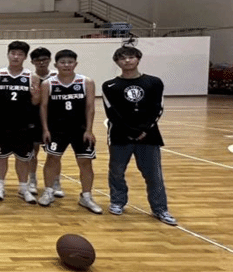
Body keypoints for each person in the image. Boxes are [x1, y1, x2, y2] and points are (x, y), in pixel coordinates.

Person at [102, 46, 177, 226]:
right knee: (117, 171)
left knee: (154, 174)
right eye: (122, 58)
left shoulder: (154, 82)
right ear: (117, 62)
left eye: (131, 57)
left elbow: (157, 108)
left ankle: (160, 209)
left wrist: (144, 129)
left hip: (148, 136)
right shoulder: (109, 86)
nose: (127, 61)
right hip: (120, 135)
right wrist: (130, 130)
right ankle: (117, 202)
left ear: (138, 58)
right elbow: (111, 112)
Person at [38, 49, 102, 214]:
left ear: (75, 64)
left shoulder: (86, 82)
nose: (66, 65)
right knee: (52, 159)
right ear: (56, 65)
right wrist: (45, 129)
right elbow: (43, 107)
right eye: (63, 62)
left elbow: (90, 107)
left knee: (85, 162)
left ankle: (86, 196)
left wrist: (89, 130)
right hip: (57, 130)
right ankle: (49, 191)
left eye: (70, 62)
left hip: (80, 130)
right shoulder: (48, 84)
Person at [0, 41, 41, 203]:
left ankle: (23, 188)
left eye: (20, 54)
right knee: (1, 156)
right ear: (8, 54)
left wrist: (36, 95)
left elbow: (36, 102)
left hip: (23, 125)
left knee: (23, 158)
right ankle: (0, 187)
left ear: (25, 57)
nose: (16, 57)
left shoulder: (32, 77)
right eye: (13, 53)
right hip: (2, 123)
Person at [28, 47, 58, 196]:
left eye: (44, 59)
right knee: (33, 151)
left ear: (50, 60)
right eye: (37, 60)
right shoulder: (29, 77)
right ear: (32, 62)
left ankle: (55, 182)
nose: (41, 62)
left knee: (54, 153)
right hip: (34, 117)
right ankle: (32, 180)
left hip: (54, 118)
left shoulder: (57, 76)